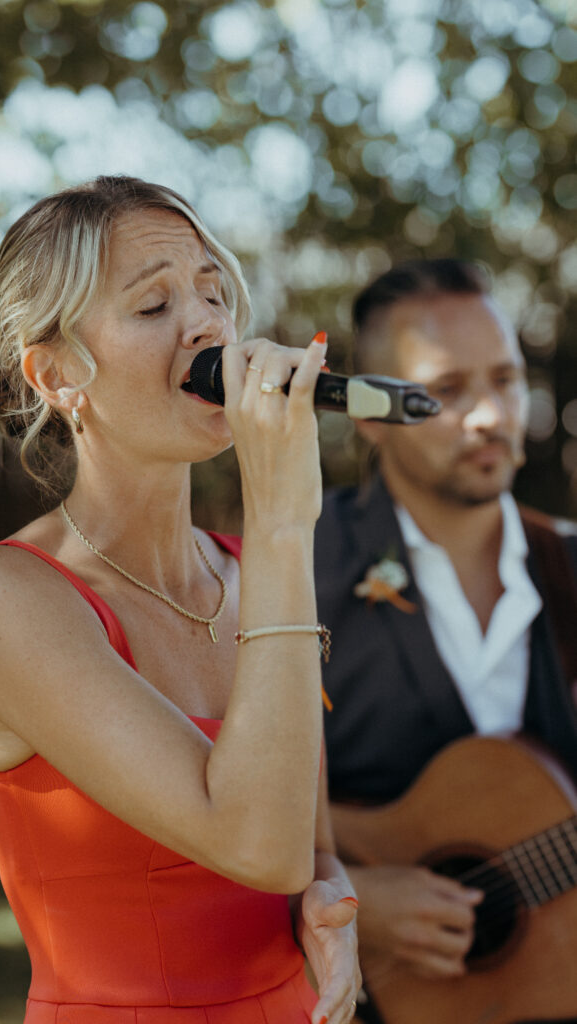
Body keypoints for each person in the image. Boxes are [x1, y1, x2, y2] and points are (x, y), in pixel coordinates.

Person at [0, 175, 361, 1024]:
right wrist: (282, 516)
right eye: (152, 306)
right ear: (57, 374)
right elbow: (254, 846)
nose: (209, 324)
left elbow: (304, 848)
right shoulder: (4, 597)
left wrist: (331, 905)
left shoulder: (251, 573)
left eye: (213, 292)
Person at [314, 259, 577, 1021]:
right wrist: (344, 890)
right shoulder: (289, 564)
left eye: (504, 379)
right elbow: (207, 799)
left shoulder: (570, 567)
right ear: (368, 414)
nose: (491, 415)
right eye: (447, 391)